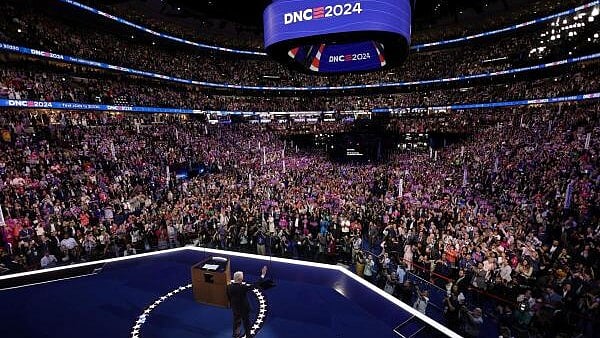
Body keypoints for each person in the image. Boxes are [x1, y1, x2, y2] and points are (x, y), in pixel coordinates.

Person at [227, 266, 268, 338]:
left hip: (235, 308)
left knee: (236, 321)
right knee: (246, 323)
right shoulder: (242, 287)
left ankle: (235, 334)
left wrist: (232, 304)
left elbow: (229, 297)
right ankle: (248, 336)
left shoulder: (229, 287)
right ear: (240, 279)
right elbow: (255, 285)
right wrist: (263, 275)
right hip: (244, 309)